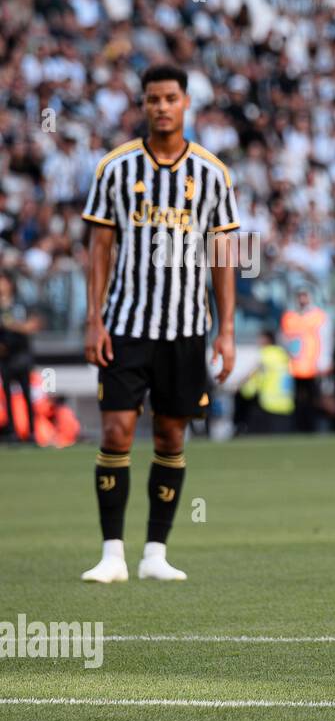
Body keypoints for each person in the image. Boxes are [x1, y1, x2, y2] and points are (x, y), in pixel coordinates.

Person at [80, 64, 239, 583]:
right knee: (116, 429)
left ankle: (154, 552)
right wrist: (94, 318)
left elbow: (225, 254)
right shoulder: (116, 168)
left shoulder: (213, 173)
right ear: (143, 105)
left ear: (186, 103)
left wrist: (227, 329)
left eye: (170, 98)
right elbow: (99, 246)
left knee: (171, 435)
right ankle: (110, 552)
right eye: (152, 99)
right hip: (125, 326)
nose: (161, 107)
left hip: (187, 329)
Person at [280, 289, 329, 433]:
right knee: (297, 400)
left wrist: (323, 362)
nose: (302, 299)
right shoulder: (290, 316)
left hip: (312, 366)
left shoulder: (318, 316)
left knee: (315, 399)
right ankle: (299, 428)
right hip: (294, 367)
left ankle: (314, 428)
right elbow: (284, 338)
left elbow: (324, 339)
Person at [0, 272, 40, 444]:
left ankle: (31, 432)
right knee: (6, 396)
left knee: (27, 395)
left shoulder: (20, 305)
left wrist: (13, 325)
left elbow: (32, 325)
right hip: (4, 358)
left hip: (21, 356)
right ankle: (11, 432)